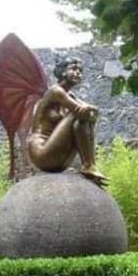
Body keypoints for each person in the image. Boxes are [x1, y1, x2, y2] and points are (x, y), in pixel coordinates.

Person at [27, 55, 108, 186]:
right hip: (41, 152)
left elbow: (92, 113)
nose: (78, 73)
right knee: (78, 115)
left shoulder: (70, 96)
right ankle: (88, 165)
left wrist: (90, 112)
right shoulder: (55, 91)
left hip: (59, 160)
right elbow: (80, 110)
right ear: (63, 72)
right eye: (74, 69)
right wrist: (89, 111)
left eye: (80, 71)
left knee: (82, 120)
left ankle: (90, 165)